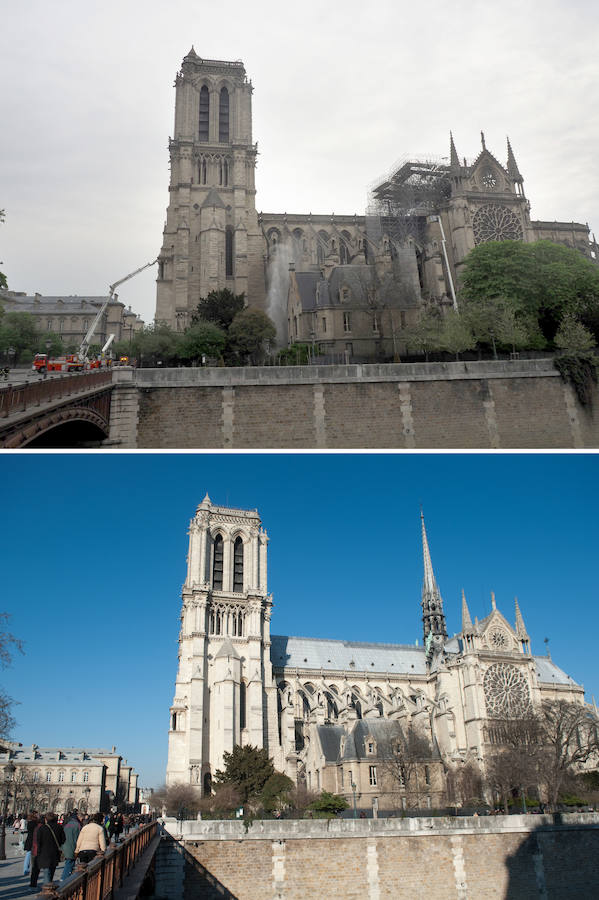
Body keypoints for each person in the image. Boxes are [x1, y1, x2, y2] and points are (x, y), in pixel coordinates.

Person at [35, 812, 66, 886]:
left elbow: (38, 841)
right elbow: (63, 839)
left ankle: (47, 890)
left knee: (46, 872)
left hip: (44, 853)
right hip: (55, 852)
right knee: (52, 871)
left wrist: (38, 852)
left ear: (46, 819)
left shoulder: (42, 828)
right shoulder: (59, 827)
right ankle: (49, 885)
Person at [61, 809, 82, 883]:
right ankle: (64, 878)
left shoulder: (68, 823)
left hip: (65, 845)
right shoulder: (77, 825)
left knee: (68, 861)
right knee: (70, 863)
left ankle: (65, 877)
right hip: (72, 846)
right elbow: (78, 838)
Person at [23, 812, 39, 878]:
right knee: (34, 855)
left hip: (29, 839)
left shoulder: (29, 823)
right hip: (34, 840)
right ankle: (34, 868)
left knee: (28, 854)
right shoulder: (36, 823)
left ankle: (25, 869)